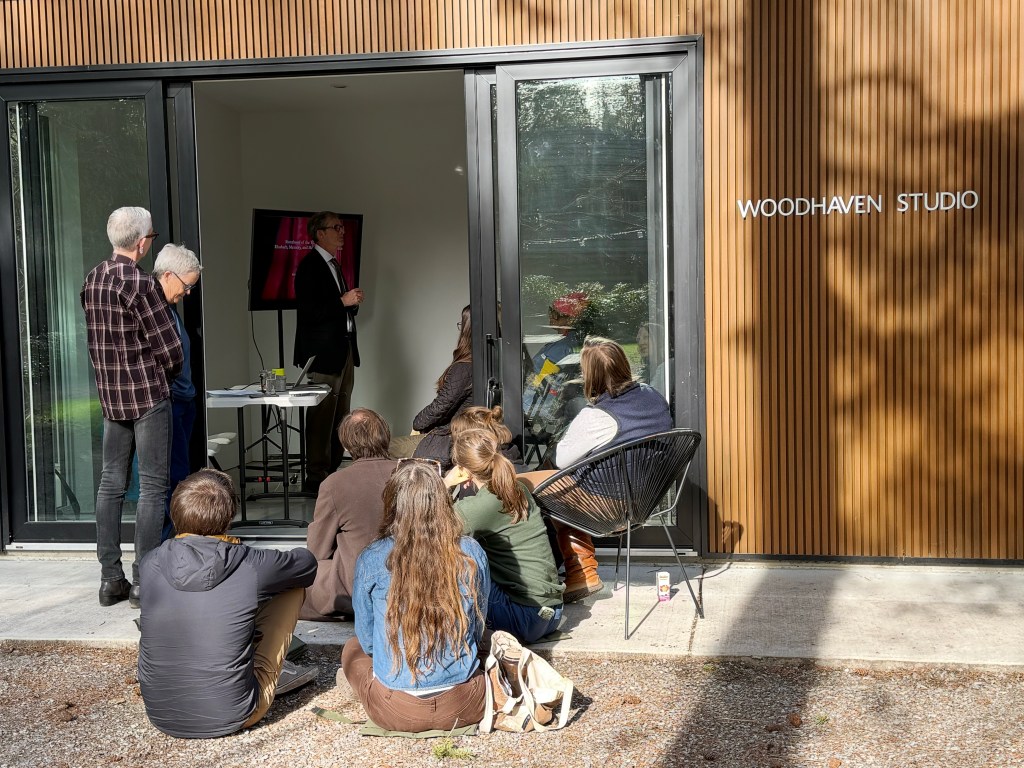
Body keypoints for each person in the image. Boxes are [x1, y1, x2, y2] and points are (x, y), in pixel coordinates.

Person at [137, 469, 318, 739]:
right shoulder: (250, 563)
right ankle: (263, 668)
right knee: (291, 589)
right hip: (234, 714)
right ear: (230, 514)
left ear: (175, 514)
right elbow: (306, 565)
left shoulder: (151, 562)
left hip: (160, 713)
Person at [81, 207, 183, 608]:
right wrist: (167, 374)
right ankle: (143, 581)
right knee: (153, 487)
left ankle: (110, 579)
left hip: (111, 397)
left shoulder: (92, 279)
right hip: (147, 396)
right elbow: (170, 348)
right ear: (141, 243)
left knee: (110, 485)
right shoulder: (141, 283)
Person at [521, 336, 673, 602]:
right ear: (623, 365)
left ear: (588, 375)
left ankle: (577, 572)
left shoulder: (598, 416)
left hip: (610, 506)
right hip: (646, 499)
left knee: (524, 482)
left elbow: (561, 459)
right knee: (558, 481)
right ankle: (580, 572)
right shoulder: (652, 396)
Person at [341, 460, 489, 732]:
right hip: (465, 704)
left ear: (392, 505)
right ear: (443, 502)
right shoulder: (471, 551)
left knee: (352, 649)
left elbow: (368, 641)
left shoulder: (371, 557)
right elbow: (476, 628)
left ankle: (374, 686)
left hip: (396, 709)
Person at [452, 429, 564, 644]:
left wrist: (447, 484)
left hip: (523, 618)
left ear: (463, 470)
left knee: (461, 555)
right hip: (551, 613)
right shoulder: (517, 488)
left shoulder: (482, 506)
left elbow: (426, 525)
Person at [300, 408, 397, 621]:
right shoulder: (412, 473)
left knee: (293, 588)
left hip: (359, 588)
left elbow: (317, 550)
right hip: (412, 583)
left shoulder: (334, 484)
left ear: (345, 445)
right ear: (385, 436)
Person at [293, 211, 365, 493]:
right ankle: (316, 477)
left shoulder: (335, 264)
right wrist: (342, 301)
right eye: (336, 228)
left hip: (343, 349)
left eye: (342, 227)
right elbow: (310, 313)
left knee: (341, 414)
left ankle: (333, 472)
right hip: (323, 354)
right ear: (320, 233)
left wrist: (352, 302)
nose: (343, 232)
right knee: (322, 416)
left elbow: (337, 308)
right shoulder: (310, 266)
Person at [152, 243, 203, 541]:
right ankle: (168, 542)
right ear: (168, 275)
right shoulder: (153, 308)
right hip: (168, 403)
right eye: (187, 285)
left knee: (182, 473)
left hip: (184, 400)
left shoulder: (170, 308)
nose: (188, 292)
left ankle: (180, 537)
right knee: (171, 475)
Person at [391, 305, 472, 470]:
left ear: (467, 329)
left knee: (383, 448)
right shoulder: (491, 361)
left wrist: (417, 424)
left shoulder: (464, 368)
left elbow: (441, 406)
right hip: (463, 436)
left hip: (451, 440)